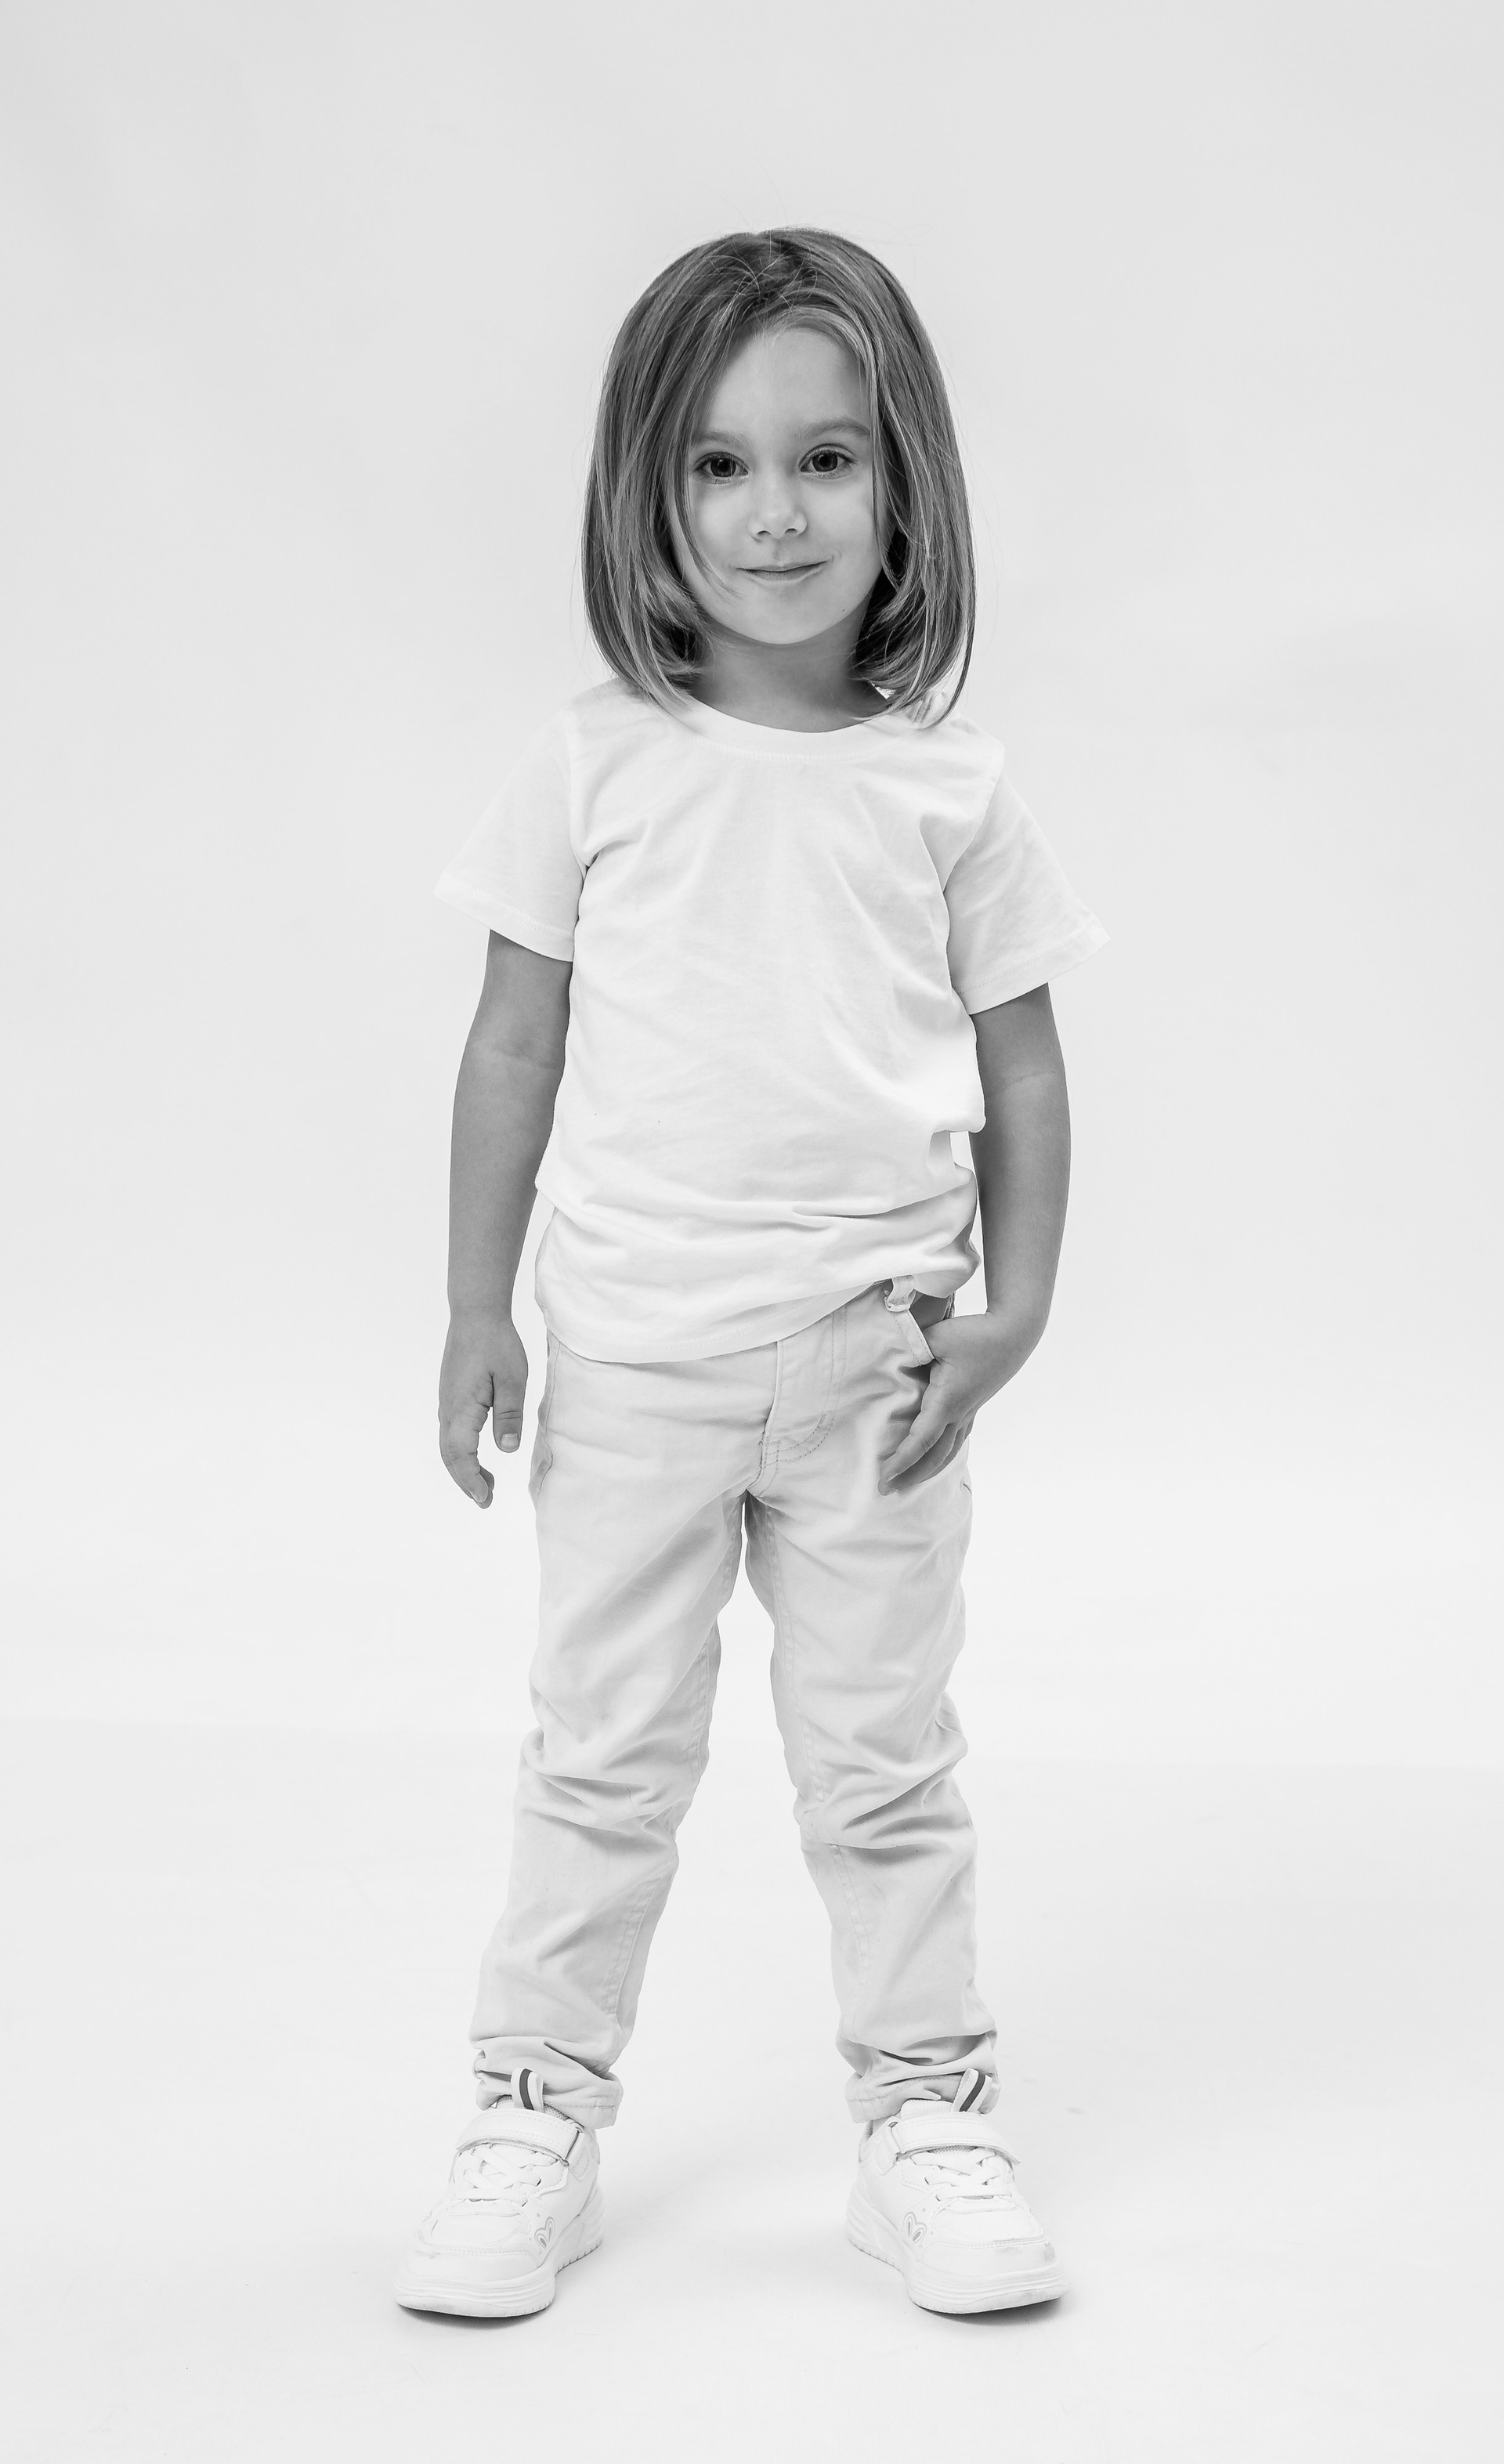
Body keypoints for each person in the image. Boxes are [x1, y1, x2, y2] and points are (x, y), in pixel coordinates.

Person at [396, 228, 1106, 2322]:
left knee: (884, 1766)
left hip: (880, 1368)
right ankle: (536, 2111)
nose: (774, 514)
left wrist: (1018, 1308)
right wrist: (475, 1305)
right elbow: (510, 1045)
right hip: (631, 1363)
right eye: (718, 465)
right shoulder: (594, 762)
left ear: (904, 489)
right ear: (648, 491)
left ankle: (926, 2116)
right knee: (602, 1757)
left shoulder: (948, 788)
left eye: (825, 459)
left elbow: (1025, 1065)